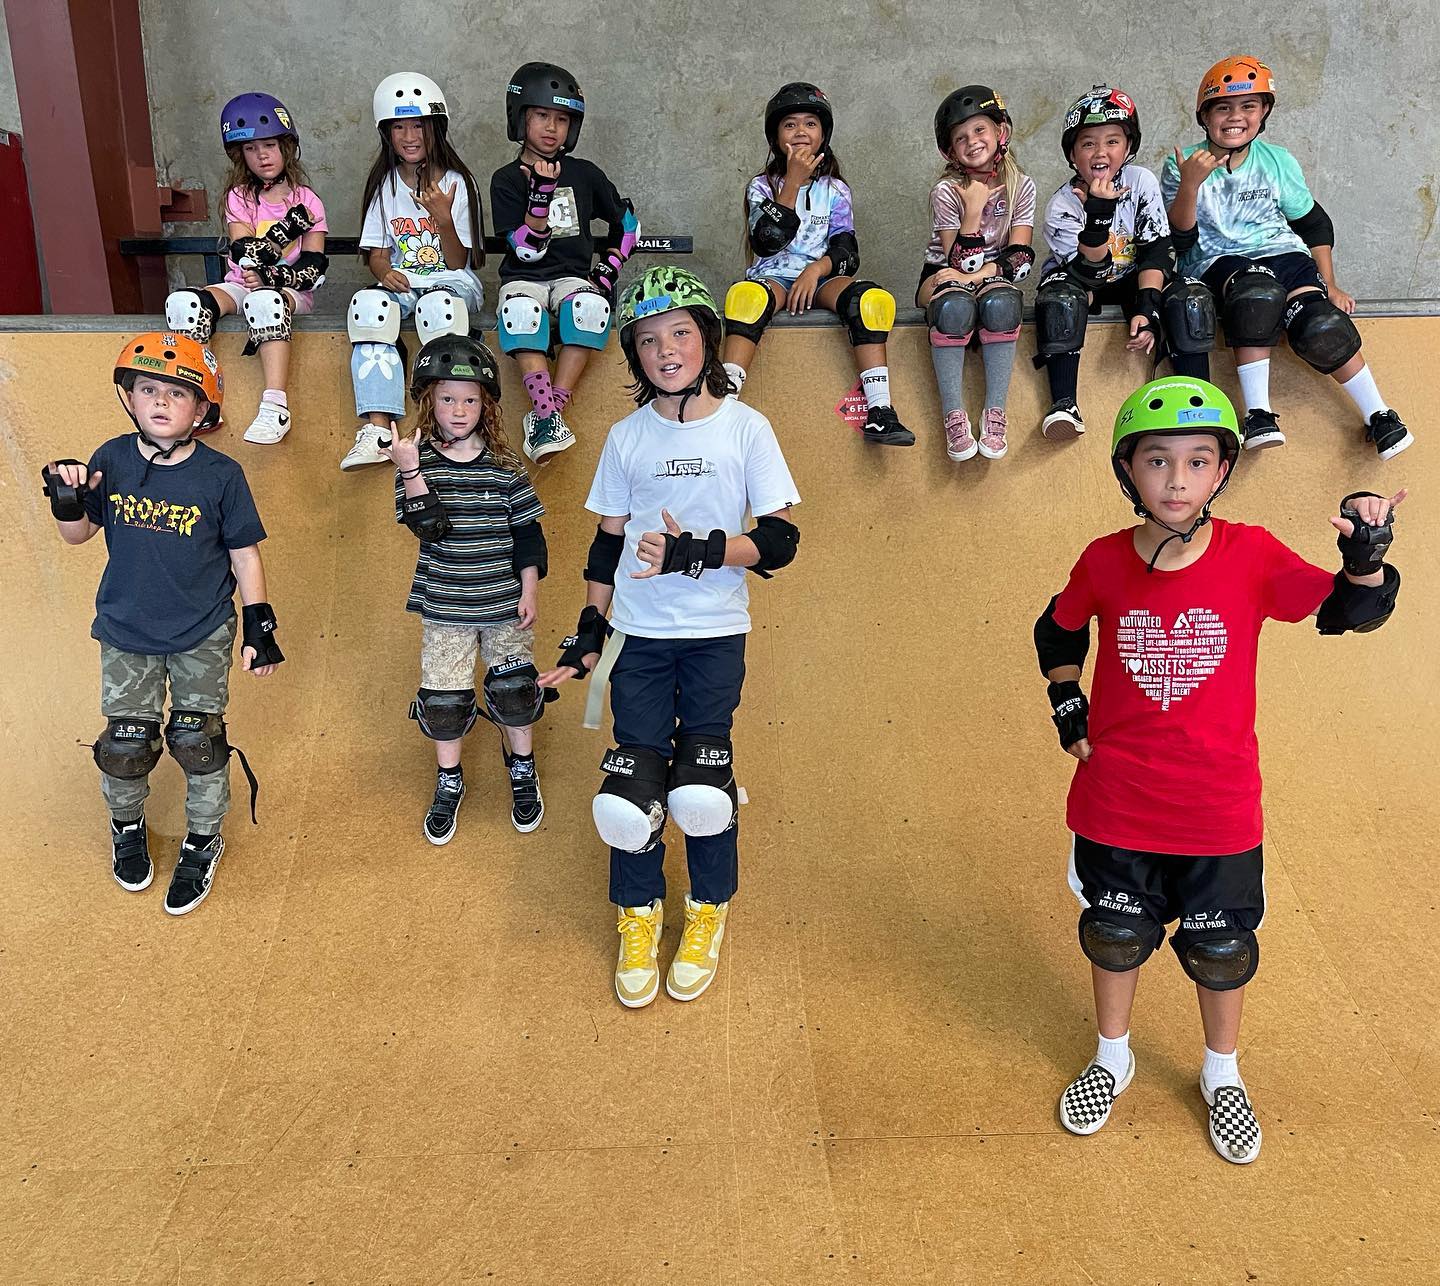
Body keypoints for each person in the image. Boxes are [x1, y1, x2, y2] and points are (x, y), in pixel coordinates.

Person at [1033, 374, 1404, 1163]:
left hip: (1219, 808)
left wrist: (1365, 559)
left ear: (1222, 470)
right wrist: (1068, 706)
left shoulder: (1251, 555)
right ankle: (1112, 1057)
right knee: (1114, 937)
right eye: (1158, 460)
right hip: (1118, 802)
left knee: (1221, 952)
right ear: (1127, 470)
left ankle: (1221, 1073)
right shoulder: (1102, 560)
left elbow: (1349, 610)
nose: (1177, 479)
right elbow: (1057, 632)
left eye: (1198, 461)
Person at [539, 266, 801, 1007]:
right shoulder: (626, 437)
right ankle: (639, 914)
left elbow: (779, 541)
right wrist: (587, 633)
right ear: (635, 354)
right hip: (639, 636)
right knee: (629, 797)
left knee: (702, 791)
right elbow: (605, 545)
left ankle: (708, 910)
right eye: (649, 340)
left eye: (680, 333)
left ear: (707, 339)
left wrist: (700, 552)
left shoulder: (746, 428)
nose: (666, 350)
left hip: (715, 634)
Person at [41, 334, 284, 915]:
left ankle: (203, 838)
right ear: (129, 397)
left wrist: (259, 623)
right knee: (126, 743)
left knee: (199, 741)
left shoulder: (221, 475)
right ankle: (127, 827)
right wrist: (66, 501)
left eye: (177, 393)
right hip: (126, 629)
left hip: (202, 629)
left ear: (201, 410)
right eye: (149, 389)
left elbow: (244, 552)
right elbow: (78, 536)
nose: (161, 401)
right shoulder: (111, 459)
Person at [1161, 57, 1411, 458]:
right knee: (1256, 296)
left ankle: (1379, 415)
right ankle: (1258, 414)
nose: (1235, 117)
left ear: (1264, 112)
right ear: (1204, 116)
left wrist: (1330, 284)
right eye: (1223, 107)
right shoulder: (1183, 163)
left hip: (1283, 254)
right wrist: (1190, 183)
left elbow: (1314, 224)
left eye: (1248, 106)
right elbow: (1180, 237)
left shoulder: (1277, 161)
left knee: (1321, 324)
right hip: (1219, 260)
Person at [380, 335, 551, 842]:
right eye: (448, 398)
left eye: (470, 399)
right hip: (446, 607)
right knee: (445, 703)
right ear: (429, 401)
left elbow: (529, 535)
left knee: (515, 695)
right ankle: (449, 778)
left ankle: (522, 768)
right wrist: (410, 470)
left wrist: (530, 590)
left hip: (504, 605)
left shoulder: (506, 465)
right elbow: (428, 527)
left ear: (486, 404)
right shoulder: (417, 462)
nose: (459, 410)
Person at [721, 82, 914, 446]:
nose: (800, 132)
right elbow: (766, 241)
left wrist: (816, 269)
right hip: (773, 276)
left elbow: (847, 251)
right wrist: (792, 184)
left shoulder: (836, 190)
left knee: (872, 301)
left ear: (823, 134)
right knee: (745, 299)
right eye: (789, 124)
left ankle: (880, 412)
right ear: (775, 137)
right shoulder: (761, 186)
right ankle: (723, 408)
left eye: (810, 123)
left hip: (820, 279)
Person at [1034, 85, 1215, 441]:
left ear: (1128, 146)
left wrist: (1147, 308)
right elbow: (1093, 272)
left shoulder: (1140, 181)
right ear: (1072, 153)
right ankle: (1064, 404)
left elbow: (1156, 250)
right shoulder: (1061, 206)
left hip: (1134, 276)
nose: (1100, 152)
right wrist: (1098, 214)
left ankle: (1200, 401)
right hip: (1082, 278)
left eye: (1112, 141)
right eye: (1088, 143)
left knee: (1191, 298)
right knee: (1060, 300)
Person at [491, 62, 641, 463]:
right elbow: (526, 250)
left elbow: (628, 225)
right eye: (542, 115)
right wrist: (539, 198)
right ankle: (545, 413)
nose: (552, 127)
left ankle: (549, 412)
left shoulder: (586, 174)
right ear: (520, 117)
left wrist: (609, 267)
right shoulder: (506, 179)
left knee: (592, 308)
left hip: (571, 277)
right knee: (520, 314)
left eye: (562, 119)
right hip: (523, 278)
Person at [164, 91, 329, 444]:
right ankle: (199, 399)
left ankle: (275, 407)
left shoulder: (308, 200)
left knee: (264, 301)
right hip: (243, 283)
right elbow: (243, 250)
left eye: (269, 145)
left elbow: (314, 264)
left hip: (289, 291)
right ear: (240, 155)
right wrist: (283, 234)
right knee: (184, 305)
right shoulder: (238, 197)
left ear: (286, 146)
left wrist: (274, 276)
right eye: (251, 148)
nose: (262, 155)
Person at [341, 73, 487, 471]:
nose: (409, 136)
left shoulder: (457, 182)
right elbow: (377, 254)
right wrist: (385, 271)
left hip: (452, 283)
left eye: (418, 125)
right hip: (406, 281)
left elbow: (458, 262)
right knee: (368, 306)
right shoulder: (385, 186)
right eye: (399, 127)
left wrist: (443, 218)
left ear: (435, 128)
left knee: (438, 308)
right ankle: (378, 430)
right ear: (386, 133)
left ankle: (445, 427)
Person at [917, 85, 1036, 460]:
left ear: (1001, 131)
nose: (972, 142)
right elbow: (958, 263)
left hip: (989, 276)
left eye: (980, 130)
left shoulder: (1021, 186)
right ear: (950, 151)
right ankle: (954, 415)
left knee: (1002, 303)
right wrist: (973, 208)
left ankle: (994, 412)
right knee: (954, 307)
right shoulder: (946, 191)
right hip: (944, 271)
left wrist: (975, 277)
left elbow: (1020, 260)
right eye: (961, 137)